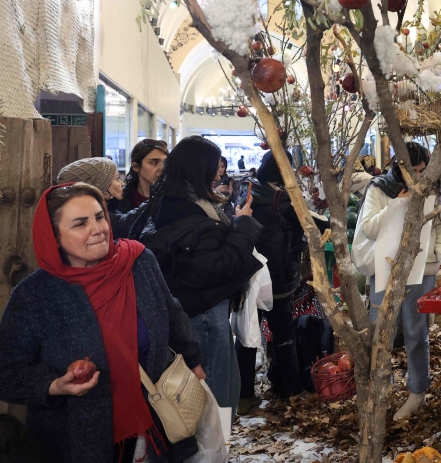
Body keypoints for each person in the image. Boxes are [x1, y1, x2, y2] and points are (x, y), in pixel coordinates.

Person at [0, 183, 205, 462]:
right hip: (72, 441)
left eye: (99, 216)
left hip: (154, 426)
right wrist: (54, 385)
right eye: (80, 223)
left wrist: (193, 360)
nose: (98, 229)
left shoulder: (138, 262)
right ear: (54, 237)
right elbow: (7, 373)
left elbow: (171, 313)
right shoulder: (34, 296)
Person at [138, 136, 262, 414]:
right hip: (203, 313)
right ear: (198, 169)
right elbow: (213, 268)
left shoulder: (173, 200)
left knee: (220, 390)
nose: (218, 172)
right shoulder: (184, 209)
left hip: (200, 308)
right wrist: (242, 225)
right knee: (213, 399)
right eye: (213, 166)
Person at [357, 142, 441, 421]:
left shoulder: (432, 189)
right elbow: (368, 228)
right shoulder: (380, 188)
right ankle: (381, 390)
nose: (417, 176)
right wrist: (398, 203)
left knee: (416, 333)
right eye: (411, 170)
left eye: (422, 170)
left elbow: (438, 230)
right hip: (384, 269)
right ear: (397, 167)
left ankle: (417, 391)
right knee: (382, 332)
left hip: (421, 270)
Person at [236, 150, 328, 413]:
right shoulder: (282, 198)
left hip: (249, 274)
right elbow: (312, 224)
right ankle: (292, 390)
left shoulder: (249, 188)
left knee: (246, 334)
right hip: (275, 277)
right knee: (283, 333)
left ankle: (243, 395)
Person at [55, 157, 134, 239]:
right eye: (117, 178)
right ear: (103, 186)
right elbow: (125, 224)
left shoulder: (112, 206)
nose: (122, 183)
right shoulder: (103, 215)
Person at [120, 139, 168, 214]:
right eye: (154, 162)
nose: (162, 168)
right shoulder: (121, 197)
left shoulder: (170, 198)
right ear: (136, 166)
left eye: (165, 163)